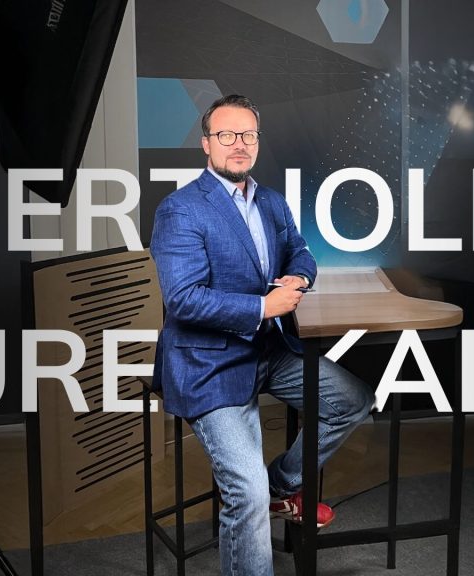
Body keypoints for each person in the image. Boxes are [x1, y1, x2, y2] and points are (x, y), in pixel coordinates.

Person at [150, 94, 374, 576]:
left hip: (269, 351)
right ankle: (262, 495)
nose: (239, 145)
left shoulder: (271, 201)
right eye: (227, 135)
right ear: (206, 144)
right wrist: (262, 306)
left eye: (248, 135)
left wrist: (299, 277)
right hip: (208, 364)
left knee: (352, 399)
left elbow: (301, 251)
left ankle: (281, 487)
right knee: (243, 494)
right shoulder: (180, 210)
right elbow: (183, 299)